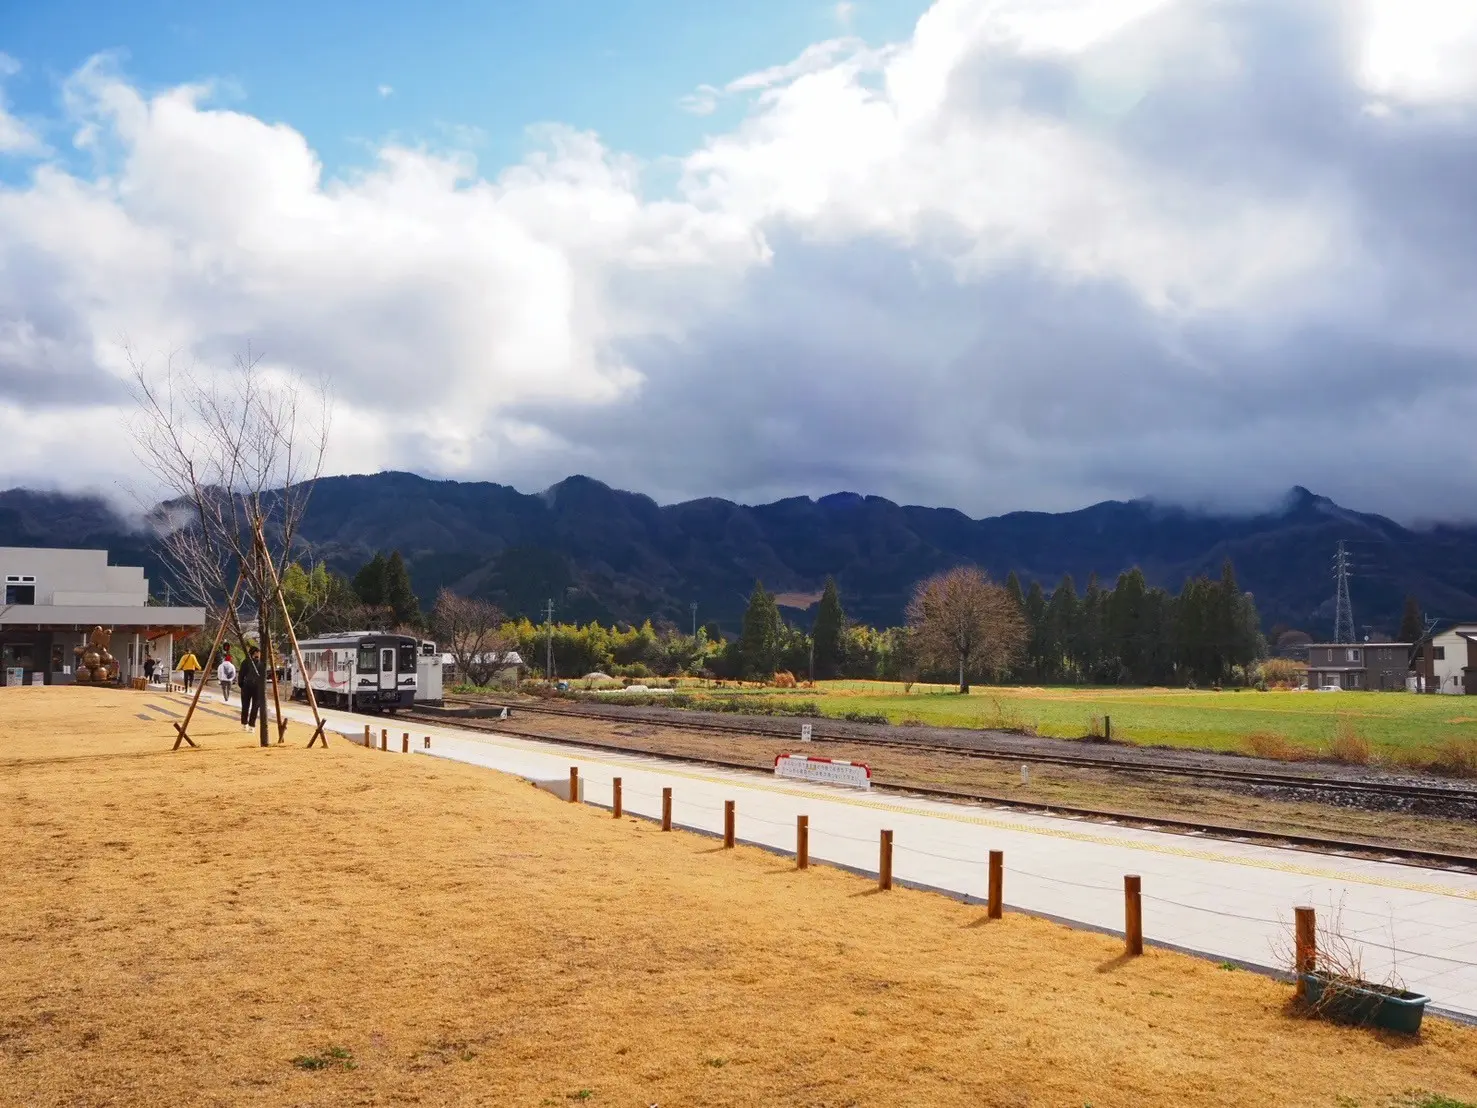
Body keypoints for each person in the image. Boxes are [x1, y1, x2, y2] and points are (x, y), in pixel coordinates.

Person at [239, 646, 265, 741]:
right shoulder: (246, 662)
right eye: (257, 652)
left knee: (255, 707)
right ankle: (245, 723)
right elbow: (241, 674)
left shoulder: (261, 663)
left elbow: (263, 676)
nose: (259, 654)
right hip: (247, 686)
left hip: (256, 688)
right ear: (253, 653)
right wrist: (241, 685)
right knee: (246, 706)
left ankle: (251, 725)